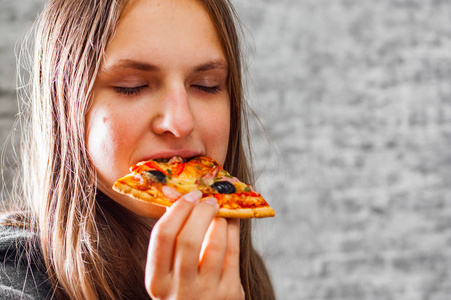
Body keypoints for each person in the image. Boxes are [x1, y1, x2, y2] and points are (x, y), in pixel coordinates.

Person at [0, 0, 275, 299]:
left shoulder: (236, 272)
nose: (180, 122)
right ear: (65, 105)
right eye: (132, 86)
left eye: (206, 85)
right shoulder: (12, 281)